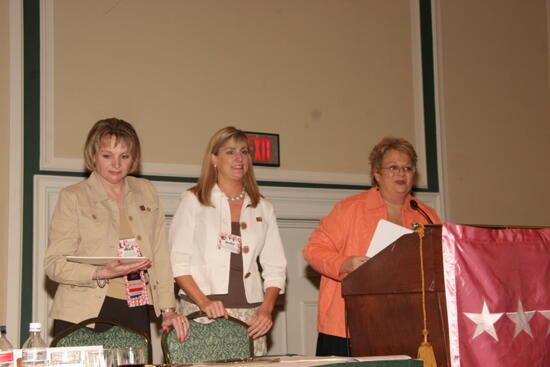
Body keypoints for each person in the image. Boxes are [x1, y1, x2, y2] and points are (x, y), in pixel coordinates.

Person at [44, 118, 189, 341]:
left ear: (133, 159)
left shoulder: (146, 191)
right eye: (107, 156)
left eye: (124, 156)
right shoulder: (73, 197)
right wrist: (100, 273)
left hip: (135, 307)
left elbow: (160, 256)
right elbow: (54, 265)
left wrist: (168, 310)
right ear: (93, 157)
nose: (116, 164)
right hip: (83, 313)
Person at [303, 137, 441, 356]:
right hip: (347, 325)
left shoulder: (425, 214)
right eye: (393, 168)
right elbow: (313, 249)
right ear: (377, 174)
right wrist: (344, 263)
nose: (401, 174)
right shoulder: (350, 209)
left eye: (407, 168)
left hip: (404, 322)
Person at [169, 126, 287, 355]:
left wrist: (266, 309)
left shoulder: (263, 207)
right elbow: (178, 263)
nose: (239, 158)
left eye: (244, 151)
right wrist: (203, 303)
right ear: (214, 158)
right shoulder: (193, 201)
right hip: (202, 313)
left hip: (251, 318)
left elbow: (276, 267)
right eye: (230, 152)